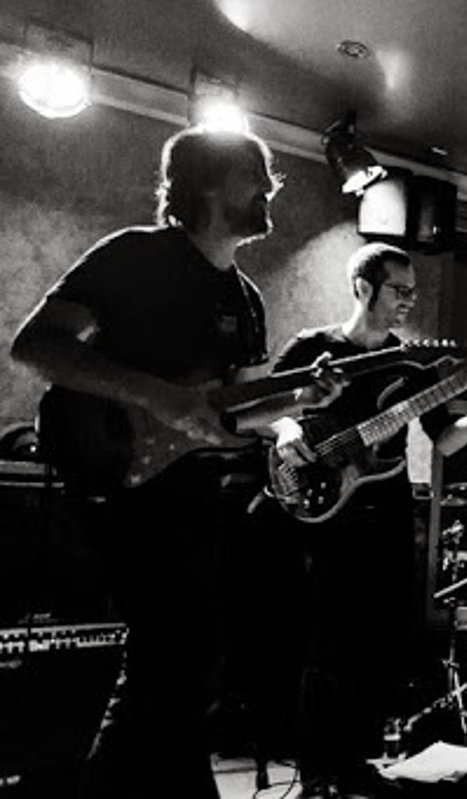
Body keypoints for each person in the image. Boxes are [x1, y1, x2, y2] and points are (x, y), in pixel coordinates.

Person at [9, 126, 342, 799]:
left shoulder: (246, 299)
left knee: (188, 658)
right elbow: (35, 345)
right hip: (118, 476)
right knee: (173, 649)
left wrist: (302, 400)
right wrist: (156, 395)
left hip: (193, 490)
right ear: (209, 184)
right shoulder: (137, 256)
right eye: (255, 174)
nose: (270, 188)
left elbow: (239, 412)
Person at [267, 241, 467, 798]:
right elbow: (265, 411)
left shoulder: (408, 363)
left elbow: (445, 440)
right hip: (327, 509)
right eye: (400, 290)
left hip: (389, 509)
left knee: (379, 640)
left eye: (413, 292)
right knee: (328, 641)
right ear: (363, 288)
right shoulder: (313, 347)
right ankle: (317, 772)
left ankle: (356, 762)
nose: (409, 301)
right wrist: (286, 429)